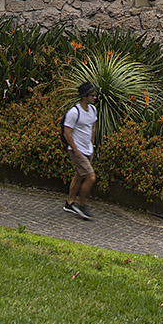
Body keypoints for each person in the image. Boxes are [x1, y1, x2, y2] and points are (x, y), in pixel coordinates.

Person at [62, 82, 100, 221]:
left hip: (88, 149)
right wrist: (76, 149)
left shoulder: (93, 110)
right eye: (92, 95)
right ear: (84, 97)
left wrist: (92, 144)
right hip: (77, 150)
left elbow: (93, 127)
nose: (94, 98)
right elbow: (67, 133)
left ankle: (69, 203)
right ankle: (81, 204)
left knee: (79, 175)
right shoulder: (74, 112)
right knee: (91, 177)